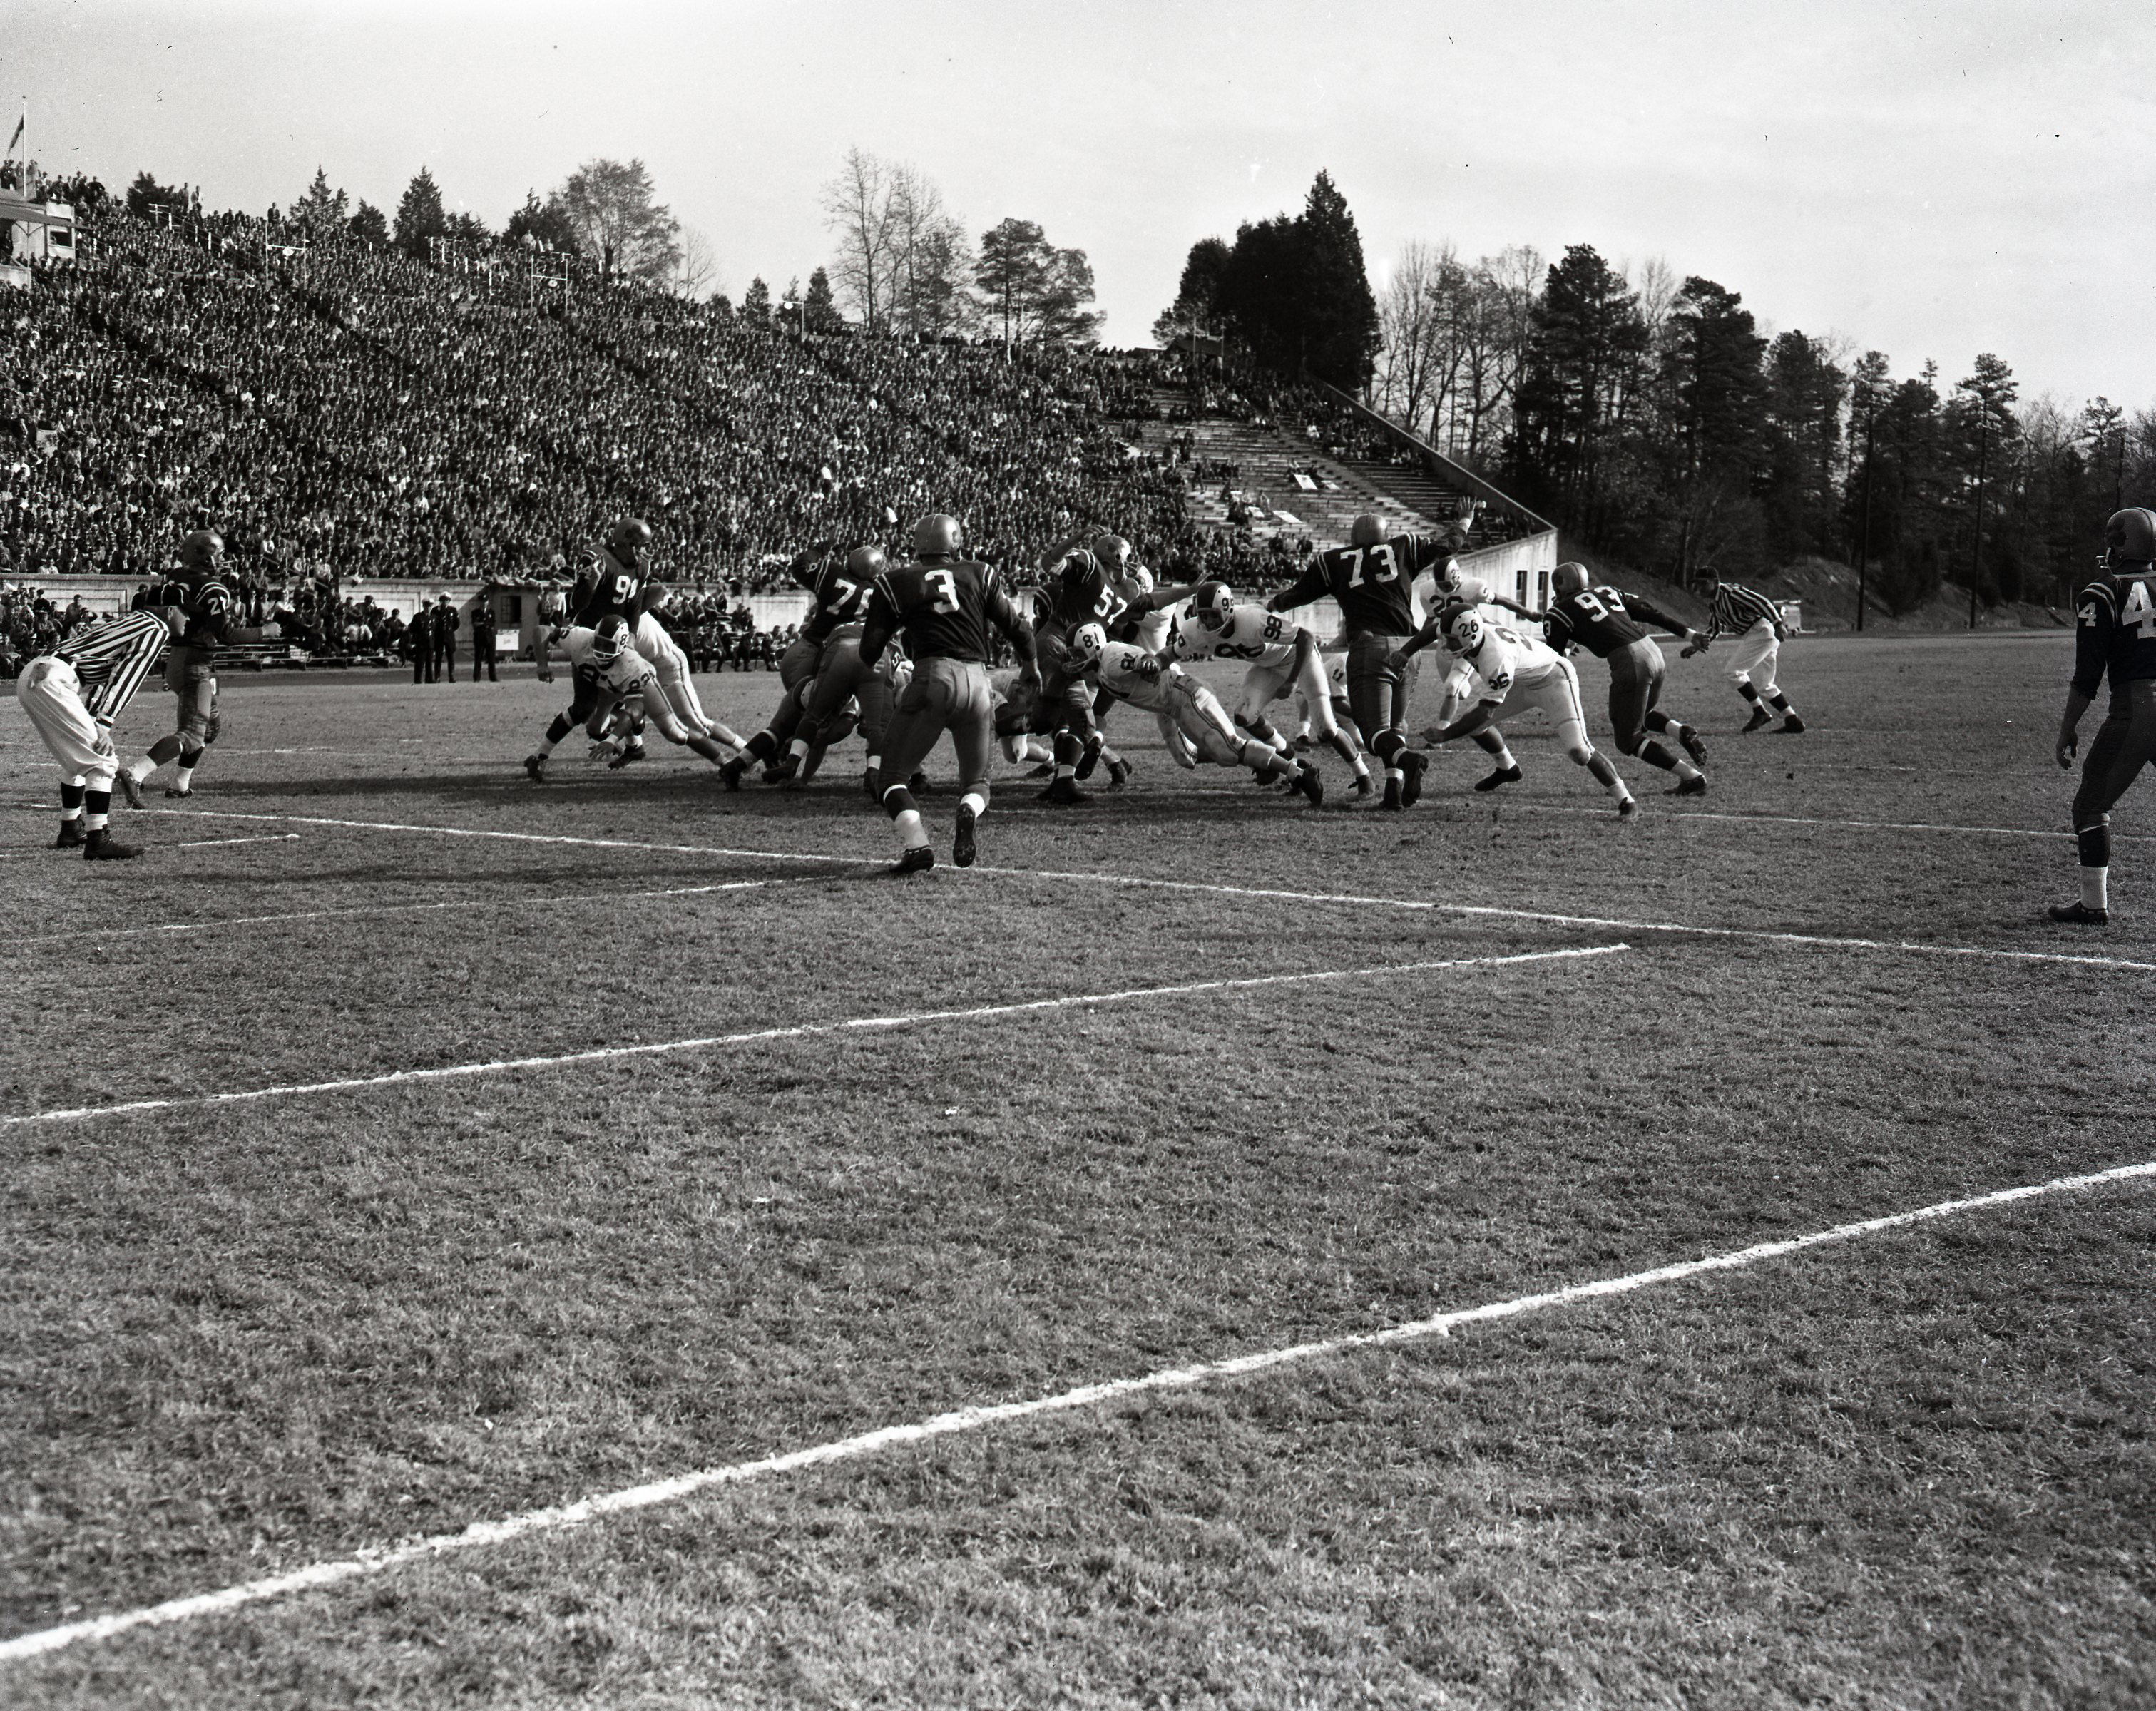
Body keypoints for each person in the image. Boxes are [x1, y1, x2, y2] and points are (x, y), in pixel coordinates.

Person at [857, 512, 1038, 874]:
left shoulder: (895, 582)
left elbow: (868, 652)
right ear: (955, 542)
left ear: (917, 544)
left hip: (932, 679)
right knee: (977, 781)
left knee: (891, 777)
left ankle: (918, 846)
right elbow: (1015, 626)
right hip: (978, 683)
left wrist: (893, 623)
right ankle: (969, 807)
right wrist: (1031, 664)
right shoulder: (980, 572)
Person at [1267, 509, 1469, 809]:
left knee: (1374, 733)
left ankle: (1408, 760)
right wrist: (1465, 520)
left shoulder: (1332, 561)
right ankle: (1393, 794)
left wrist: (1273, 604)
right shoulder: (1403, 546)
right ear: (1384, 536)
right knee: (1395, 725)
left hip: (1370, 648)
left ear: (1352, 537)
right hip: (1408, 649)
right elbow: (1447, 546)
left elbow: (1300, 594)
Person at [1420, 605, 1638, 817]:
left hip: (1554, 679)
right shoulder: (1473, 633)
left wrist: (1445, 734)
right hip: (1521, 679)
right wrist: (1404, 653)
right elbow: (1433, 629)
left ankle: (1625, 799)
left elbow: (1485, 711)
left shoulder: (1496, 657)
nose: (1447, 645)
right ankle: (1508, 769)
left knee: (1579, 751)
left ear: (1470, 635)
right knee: (1475, 727)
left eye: (1452, 640)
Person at [1068, 621, 1322, 802]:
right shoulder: (1102, 673)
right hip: (1168, 706)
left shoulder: (1110, 658)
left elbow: (1138, 660)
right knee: (1185, 756)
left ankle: (1298, 772)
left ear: (1091, 645)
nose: (1072, 659)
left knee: (1227, 751)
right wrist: (1096, 743)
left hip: (1183, 693)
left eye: (1076, 652)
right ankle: (1254, 756)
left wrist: (1143, 664)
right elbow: (1099, 714)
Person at [2052, 507, 2156, 925]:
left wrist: (2067, 728)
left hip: (2135, 711)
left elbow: (2087, 677)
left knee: (2091, 805)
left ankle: (2093, 905)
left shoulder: (2103, 590)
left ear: (2122, 544)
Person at [17, 605, 174, 859]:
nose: (188, 621)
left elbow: (104, 674)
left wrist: (94, 717)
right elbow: (125, 676)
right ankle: (98, 840)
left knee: (78, 757)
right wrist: (104, 722)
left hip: (41, 670)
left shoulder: (133, 621)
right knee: (102, 760)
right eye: (187, 614)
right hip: (56, 677)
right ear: (171, 610)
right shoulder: (157, 628)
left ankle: (70, 828)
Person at [1541, 562, 1708, 795]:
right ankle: (1682, 732)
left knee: (1628, 740)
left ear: (1559, 586)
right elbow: (1651, 612)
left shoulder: (1559, 611)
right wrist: (1689, 634)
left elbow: (1553, 656)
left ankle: (1691, 777)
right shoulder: (1607, 592)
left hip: (1630, 663)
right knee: (1637, 715)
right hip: (1653, 652)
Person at [123, 530, 230, 800]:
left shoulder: (177, 576)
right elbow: (226, 634)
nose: (222, 561)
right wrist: (265, 632)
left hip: (179, 659)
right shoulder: (212, 587)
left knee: (210, 729)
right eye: (218, 555)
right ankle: (135, 773)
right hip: (194, 662)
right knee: (193, 734)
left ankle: (180, 784)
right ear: (207, 557)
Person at [1686, 576, 1804, 732]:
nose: (1699, 588)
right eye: (1697, 584)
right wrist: (1697, 646)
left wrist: (1778, 623)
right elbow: (1715, 628)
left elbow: (1761, 602)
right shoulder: (1714, 603)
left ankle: (1760, 712)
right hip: (1757, 633)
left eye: (1703, 583)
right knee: (1764, 684)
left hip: (1761, 631)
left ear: (1714, 582)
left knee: (1733, 672)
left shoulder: (1730, 593)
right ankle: (1792, 720)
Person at [470, 598, 499, 682]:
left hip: (490, 637)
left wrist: (482, 623)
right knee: (478, 658)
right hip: (479, 637)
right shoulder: (475, 612)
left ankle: (493, 677)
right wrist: (485, 624)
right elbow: (475, 624)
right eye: (482, 601)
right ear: (480, 602)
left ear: (488, 602)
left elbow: (492, 624)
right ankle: (477, 677)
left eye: (486, 601)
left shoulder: (491, 612)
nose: (484, 603)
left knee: (491, 658)